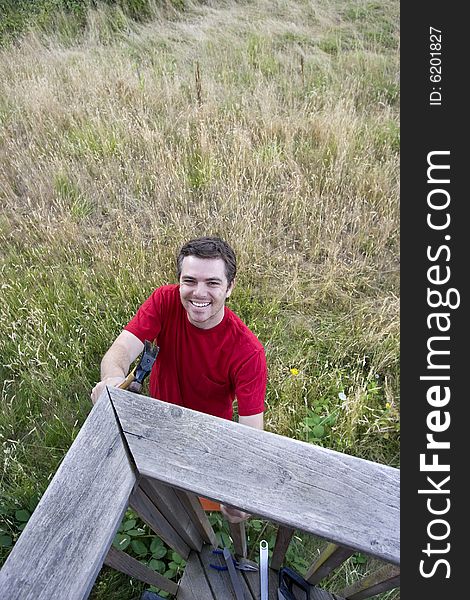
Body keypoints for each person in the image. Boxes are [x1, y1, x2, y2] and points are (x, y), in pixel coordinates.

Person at [91, 236, 267, 522]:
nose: (199, 293)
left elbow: (251, 434)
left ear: (230, 287)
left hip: (206, 440)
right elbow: (120, 351)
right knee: (164, 499)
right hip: (154, 423)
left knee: (201, 509)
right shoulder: (164, 300)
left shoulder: (248, 353)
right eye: (190, 281)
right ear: (179, 281)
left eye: (212, 283)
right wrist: (112, 380)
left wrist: (241, 495)